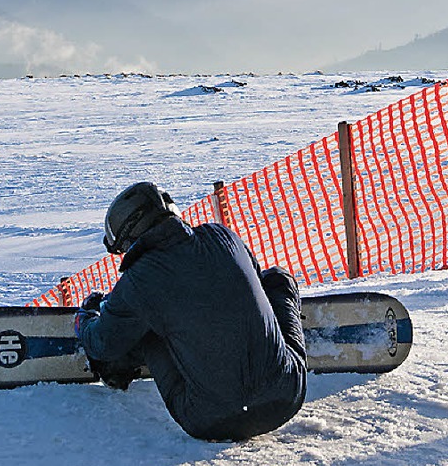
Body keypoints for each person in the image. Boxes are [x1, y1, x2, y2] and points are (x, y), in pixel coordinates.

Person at [74, 181, 307, 441]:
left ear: (130, 237)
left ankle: (116, 371)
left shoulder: (139, 280)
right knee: (277, 278)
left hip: (210, 420)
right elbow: (255, 281)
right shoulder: (223, 235)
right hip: (286, 396)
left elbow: (102, 344)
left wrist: (86, 318)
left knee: (144, 327)